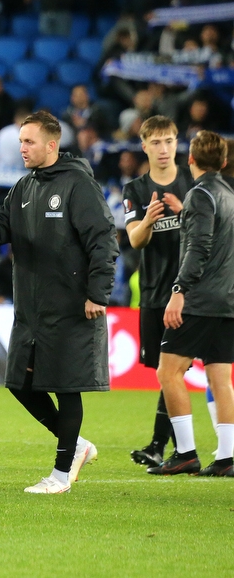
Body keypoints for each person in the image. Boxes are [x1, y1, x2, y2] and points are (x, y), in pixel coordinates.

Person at [0, 110, 118, 494]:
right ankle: (78, 446)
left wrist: (97, 293)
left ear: (52, 145)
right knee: (20, 383)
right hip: (32, 309)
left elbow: (104, 240)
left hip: (71, 305)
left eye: (29, 142)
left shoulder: (77, 185)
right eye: (20, 142)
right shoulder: (24, 187)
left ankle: (61, 475)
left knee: (67, 388)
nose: (22, 149)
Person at [150, 131, 234, 477]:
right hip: (228, 300)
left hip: (199, 300)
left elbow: (198, 248)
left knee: (168, 372)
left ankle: (185, 452)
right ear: (225, 162)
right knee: (220, 378)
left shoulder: (200, 194)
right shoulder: (230, 194)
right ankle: (228, 457)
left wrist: (179, 290)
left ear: (190, 159)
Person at [121, 116, 194, 468]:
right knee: (164, 370)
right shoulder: (134, 190)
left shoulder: (193, 182)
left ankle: (168, 447)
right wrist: (148, 219)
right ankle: (171, 448)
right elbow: (135, 240)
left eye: (169, 141)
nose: (164, 149)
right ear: (145, 145)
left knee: (173, 369)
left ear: (177, 143)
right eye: (157, 142)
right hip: (153, 291)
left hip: (191, 292)